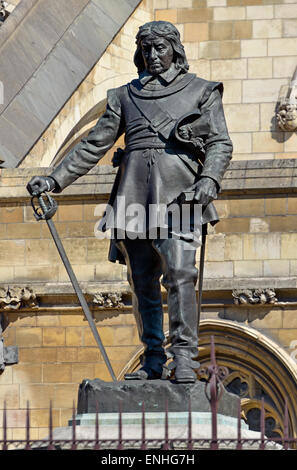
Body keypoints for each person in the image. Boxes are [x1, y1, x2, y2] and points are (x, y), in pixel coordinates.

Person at [27, 21, 233, 383]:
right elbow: (94, 144)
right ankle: (153, 359)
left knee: (181, 274)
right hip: (134, 193)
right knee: (142, 281)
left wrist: (210, 179)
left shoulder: (201, 91)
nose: (153, 56)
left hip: (181, 194)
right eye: (147, 50)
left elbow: (220, 143)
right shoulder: (124, 96)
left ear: (174, 49)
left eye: (160, 49)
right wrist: (55, 179)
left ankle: (183, 357)